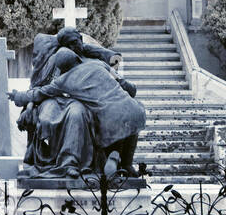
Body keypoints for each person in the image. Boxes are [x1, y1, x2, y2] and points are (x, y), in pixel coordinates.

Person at [12, 51, 146, 177]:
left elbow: (39, 93)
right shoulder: (97, 64)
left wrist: (17, 96)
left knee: (104, 130)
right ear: (77, 58)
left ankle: (112, 155)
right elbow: (123, 83)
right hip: (133, 108)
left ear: (61, 69)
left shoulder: (64, 80)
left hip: (108, 118)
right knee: (130, 127)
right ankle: (126, 163)